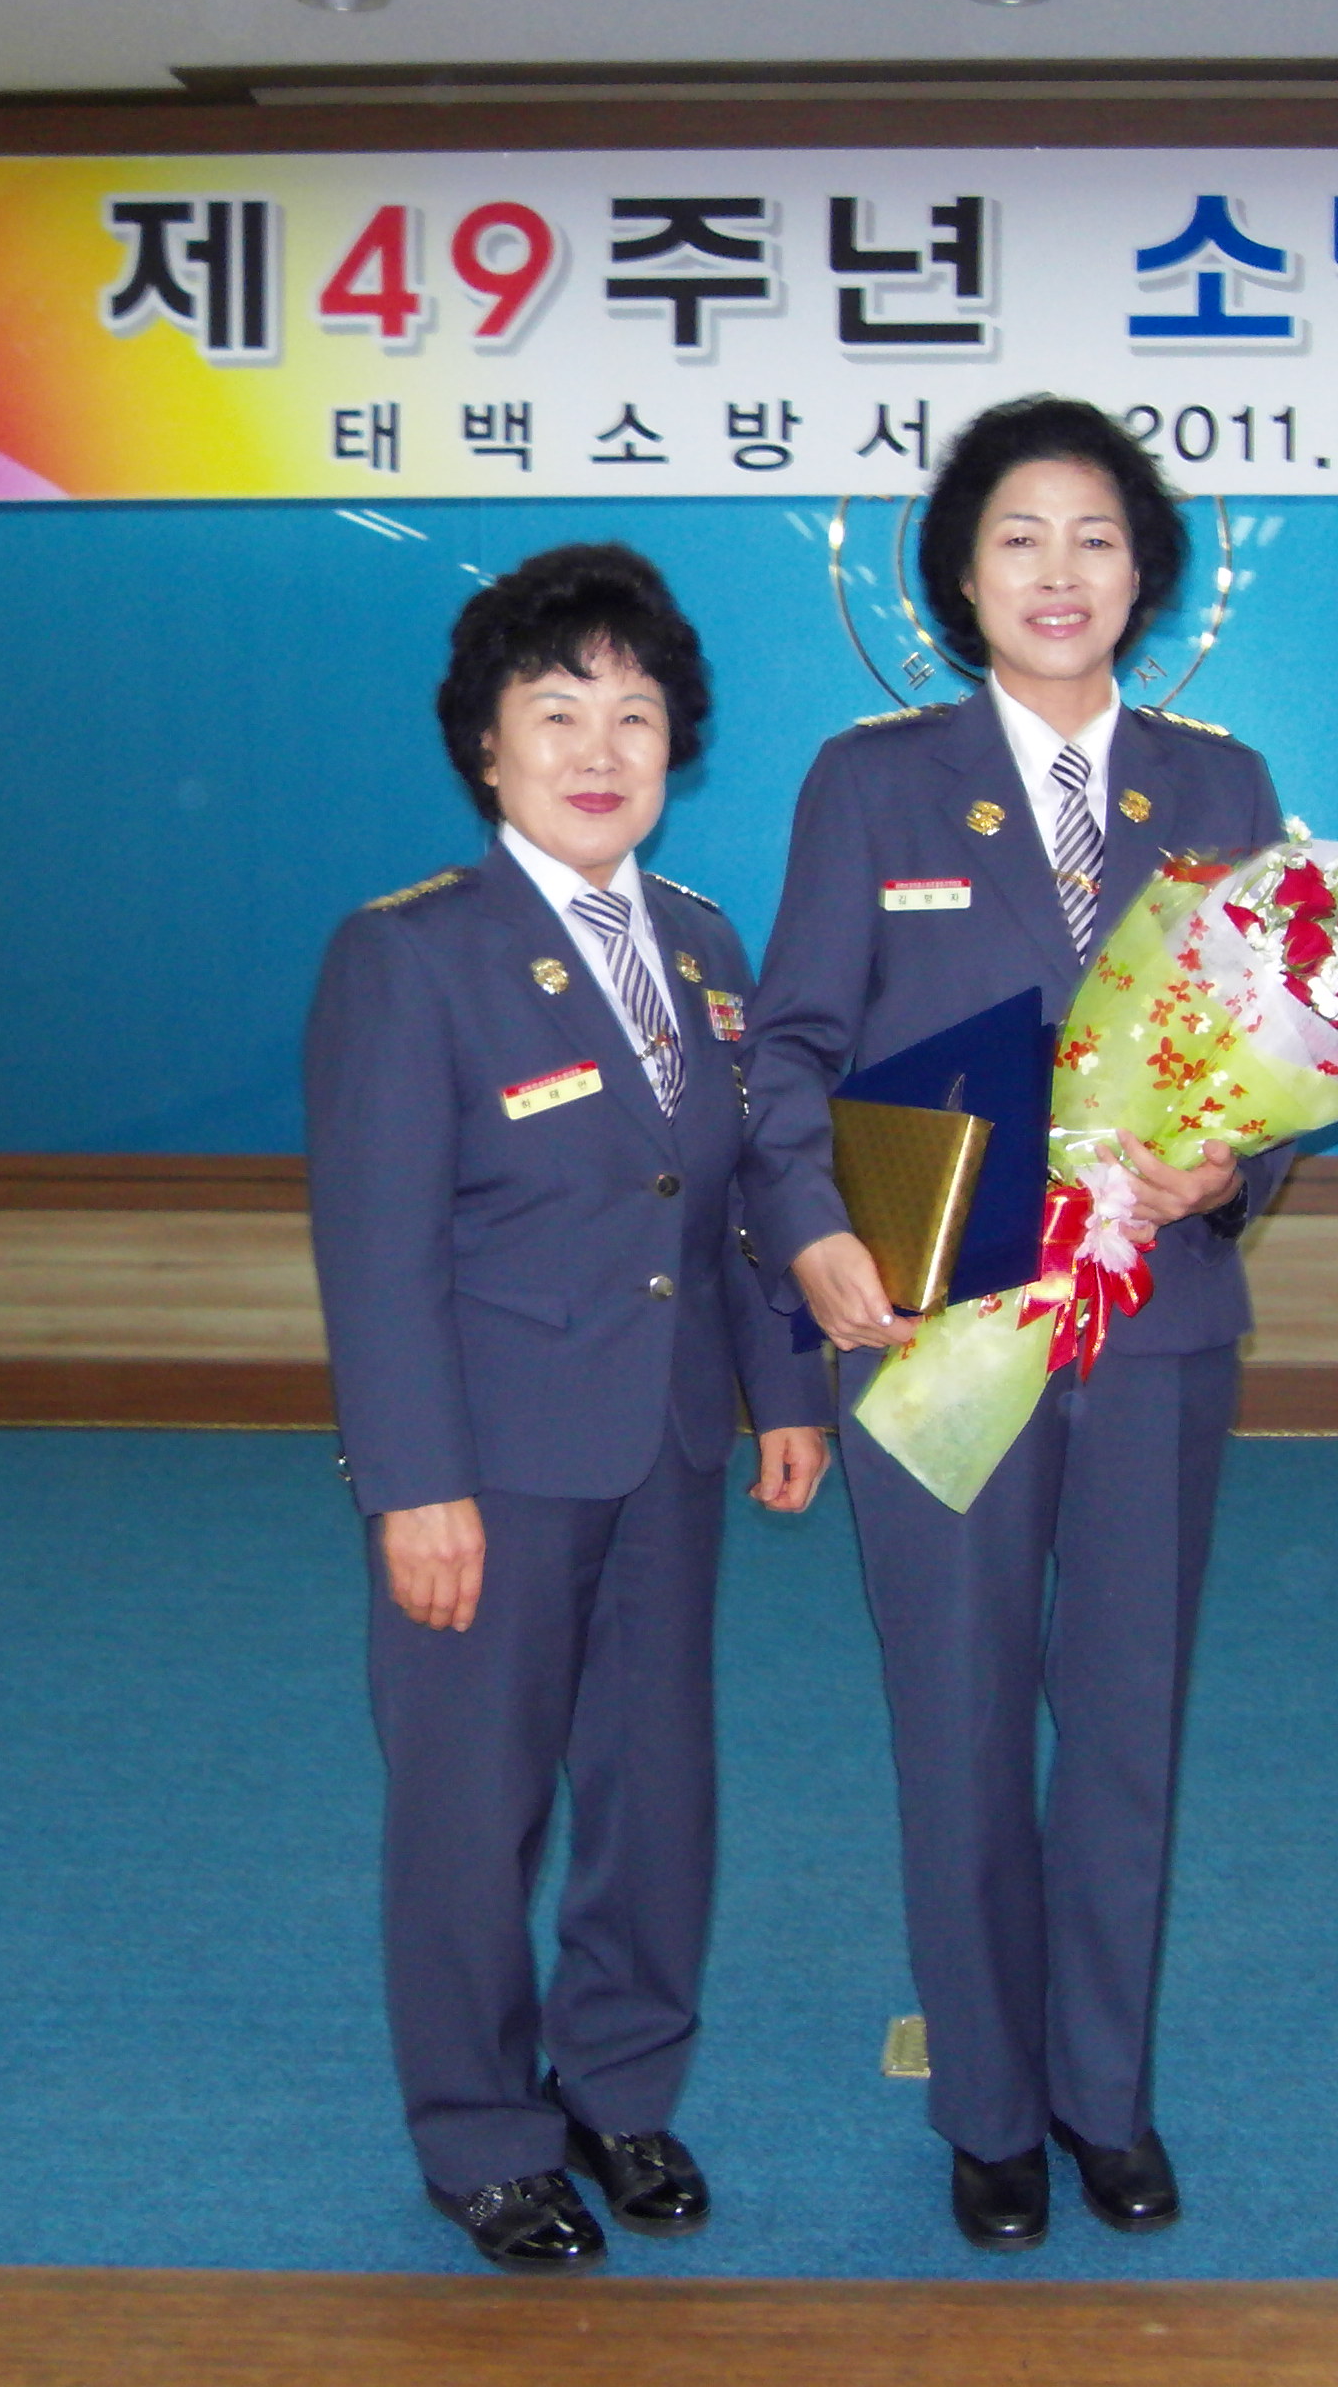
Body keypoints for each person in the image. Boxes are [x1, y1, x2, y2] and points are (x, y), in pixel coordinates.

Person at [743, 397, 1293, 2250]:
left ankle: (1102, 2099)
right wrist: (815, 1231)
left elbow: (1265, 1052)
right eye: (1019, 538)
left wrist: (1233, 1167)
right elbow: (793, 1049)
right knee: (960, 1719)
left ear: (1147, 575)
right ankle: (988, 2111)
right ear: (959, 578)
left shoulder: (1220, 786)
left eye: (1097, 539)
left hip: (1155, 1325)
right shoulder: (871, 781)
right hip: (939, 1318)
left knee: (1127, 1724)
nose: (1061, 574)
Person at [303, 543, 830, 2272]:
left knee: (655, 1790)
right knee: (474, 1805)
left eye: (635, 715)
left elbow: (732, 1200)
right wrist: (412, 1483)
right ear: (487, 745)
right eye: (556, 712)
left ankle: (618, 2086)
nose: (600, 750)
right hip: (492, 1467)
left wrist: (784, 1390)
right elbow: (375, 1252)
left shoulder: (702, 944)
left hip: (667, 1443)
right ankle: (480, 2132)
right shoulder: (412, 956)